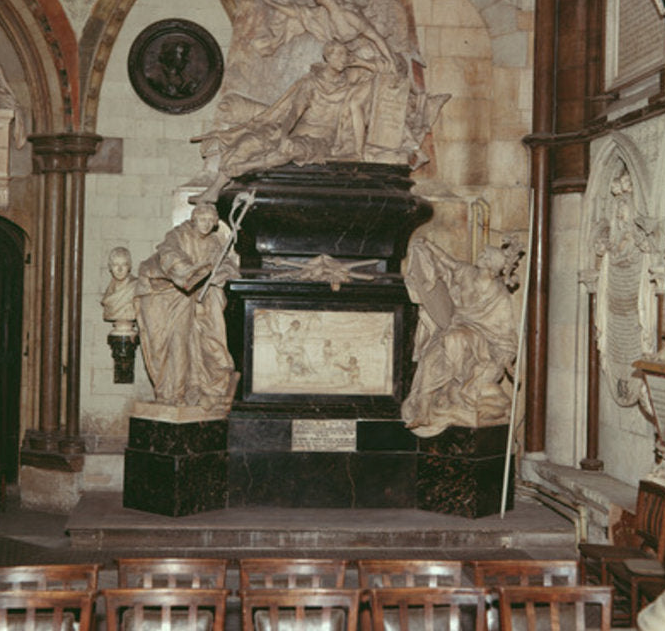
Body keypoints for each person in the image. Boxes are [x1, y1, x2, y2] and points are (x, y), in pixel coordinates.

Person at [192, 40, 375, 202]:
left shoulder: (351, 88)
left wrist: (358, 62)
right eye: (340, 54)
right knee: (250, 141)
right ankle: (214, 189)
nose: (345, 58)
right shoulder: (311, 83)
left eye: (346, 55)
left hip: (320, 141)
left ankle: (245, 167)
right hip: (295, 131)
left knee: (293, 149)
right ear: (328, 56)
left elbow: (387, 72)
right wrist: (284, 135)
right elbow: (294, 113)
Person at [401, 237, 520, 435]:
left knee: (453, 339)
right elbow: (447, 261)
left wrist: (505, 358)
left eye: (485, 255)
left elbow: (505, 331)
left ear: (491, 265)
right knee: (429, 359)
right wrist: (429, 244)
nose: (480, 256)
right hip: (455, 325)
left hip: (480, 337)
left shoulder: (499, 294)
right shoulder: (467, 272)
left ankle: (456, 381)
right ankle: (423, 411)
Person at [134, 204, 239, 410]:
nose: (207, 224)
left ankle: (180, 393)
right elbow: (169, 254)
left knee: (183, 343)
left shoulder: (213, 243)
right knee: (160, 344)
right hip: (162, 294)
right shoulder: (178, 235)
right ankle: (168, 391)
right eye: (202, 219)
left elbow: (227, 266)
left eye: (211, 220)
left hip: (188, 299)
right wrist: (189, 271)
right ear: (194, 219)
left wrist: (219, 274)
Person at [101, 246, 137, 332]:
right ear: (110, 267)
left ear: (129, 267)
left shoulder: (136, 287)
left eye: (123, 264)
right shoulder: (108, 293)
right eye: (115, 265)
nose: (119, 269)